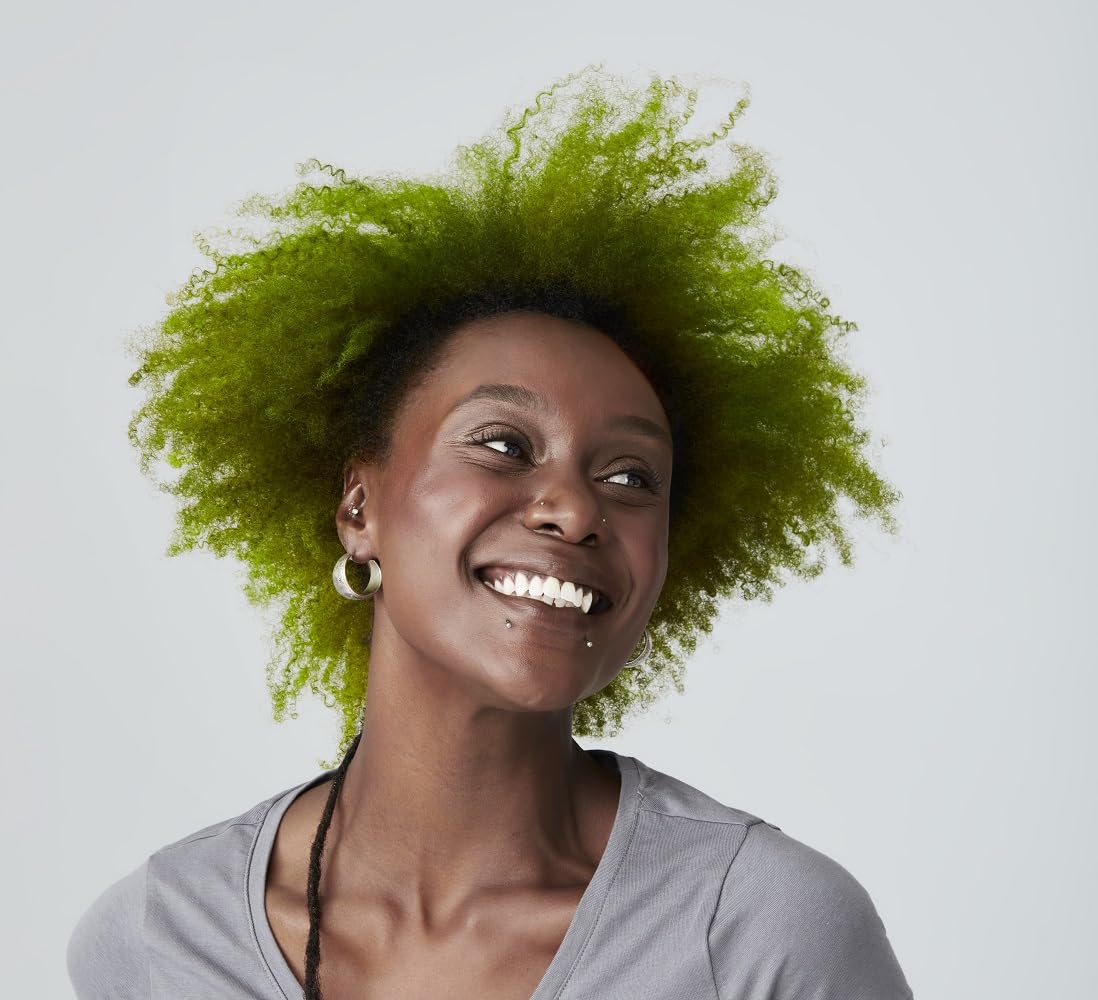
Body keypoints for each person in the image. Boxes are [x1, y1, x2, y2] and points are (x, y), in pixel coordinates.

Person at [66, 68, 913, 998]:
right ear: (359, 509)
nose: (576, 509)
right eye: (505, 445)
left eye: (631, 478)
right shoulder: (159, 940)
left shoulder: (759, 929)